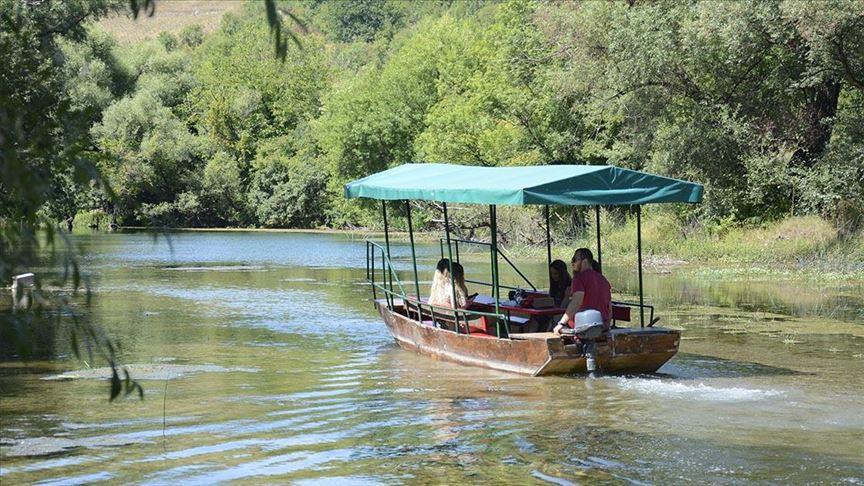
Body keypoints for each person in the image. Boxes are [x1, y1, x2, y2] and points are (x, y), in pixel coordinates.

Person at [553, 248, 612, 334]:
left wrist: (561, 323)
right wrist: (606, 326)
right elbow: (609, 308)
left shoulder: (578, 278)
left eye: (575, 259)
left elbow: (576, 302)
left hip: (583, 328)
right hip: (602, 327)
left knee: (555, 325)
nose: (572, 262)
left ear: (584, 261)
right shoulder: (603, 280)